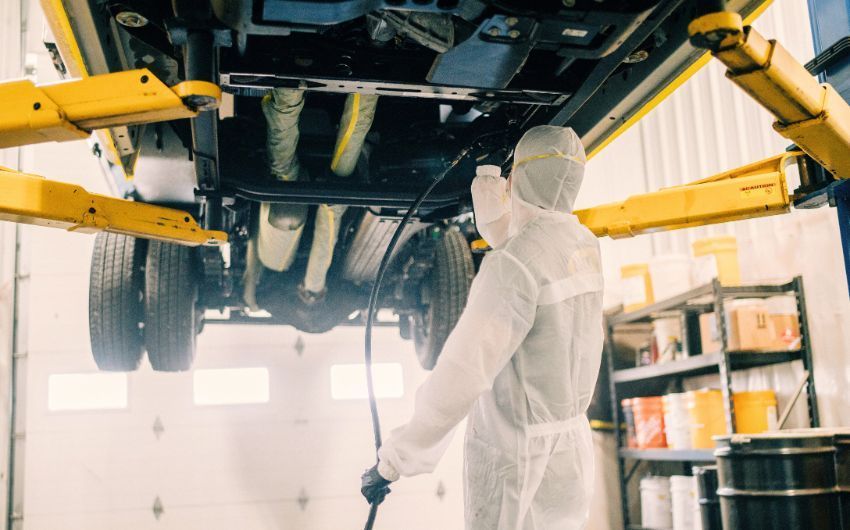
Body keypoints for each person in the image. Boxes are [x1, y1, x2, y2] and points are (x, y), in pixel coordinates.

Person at [360, 125, 604, 529]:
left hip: (515, 452)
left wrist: (393, 462)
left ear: (520, 178)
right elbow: (513, 234)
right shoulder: (581, 244)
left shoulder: (514, 262)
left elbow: (461, 375)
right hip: (570, 449)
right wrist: (488, 174)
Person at [243, 89, 379, 307]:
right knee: (301, 192)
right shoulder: (274, 282)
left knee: (305, 202)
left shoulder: (276, 273)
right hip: (288, 231)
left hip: (288, 237)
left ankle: (366, 89)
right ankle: (289, 90)